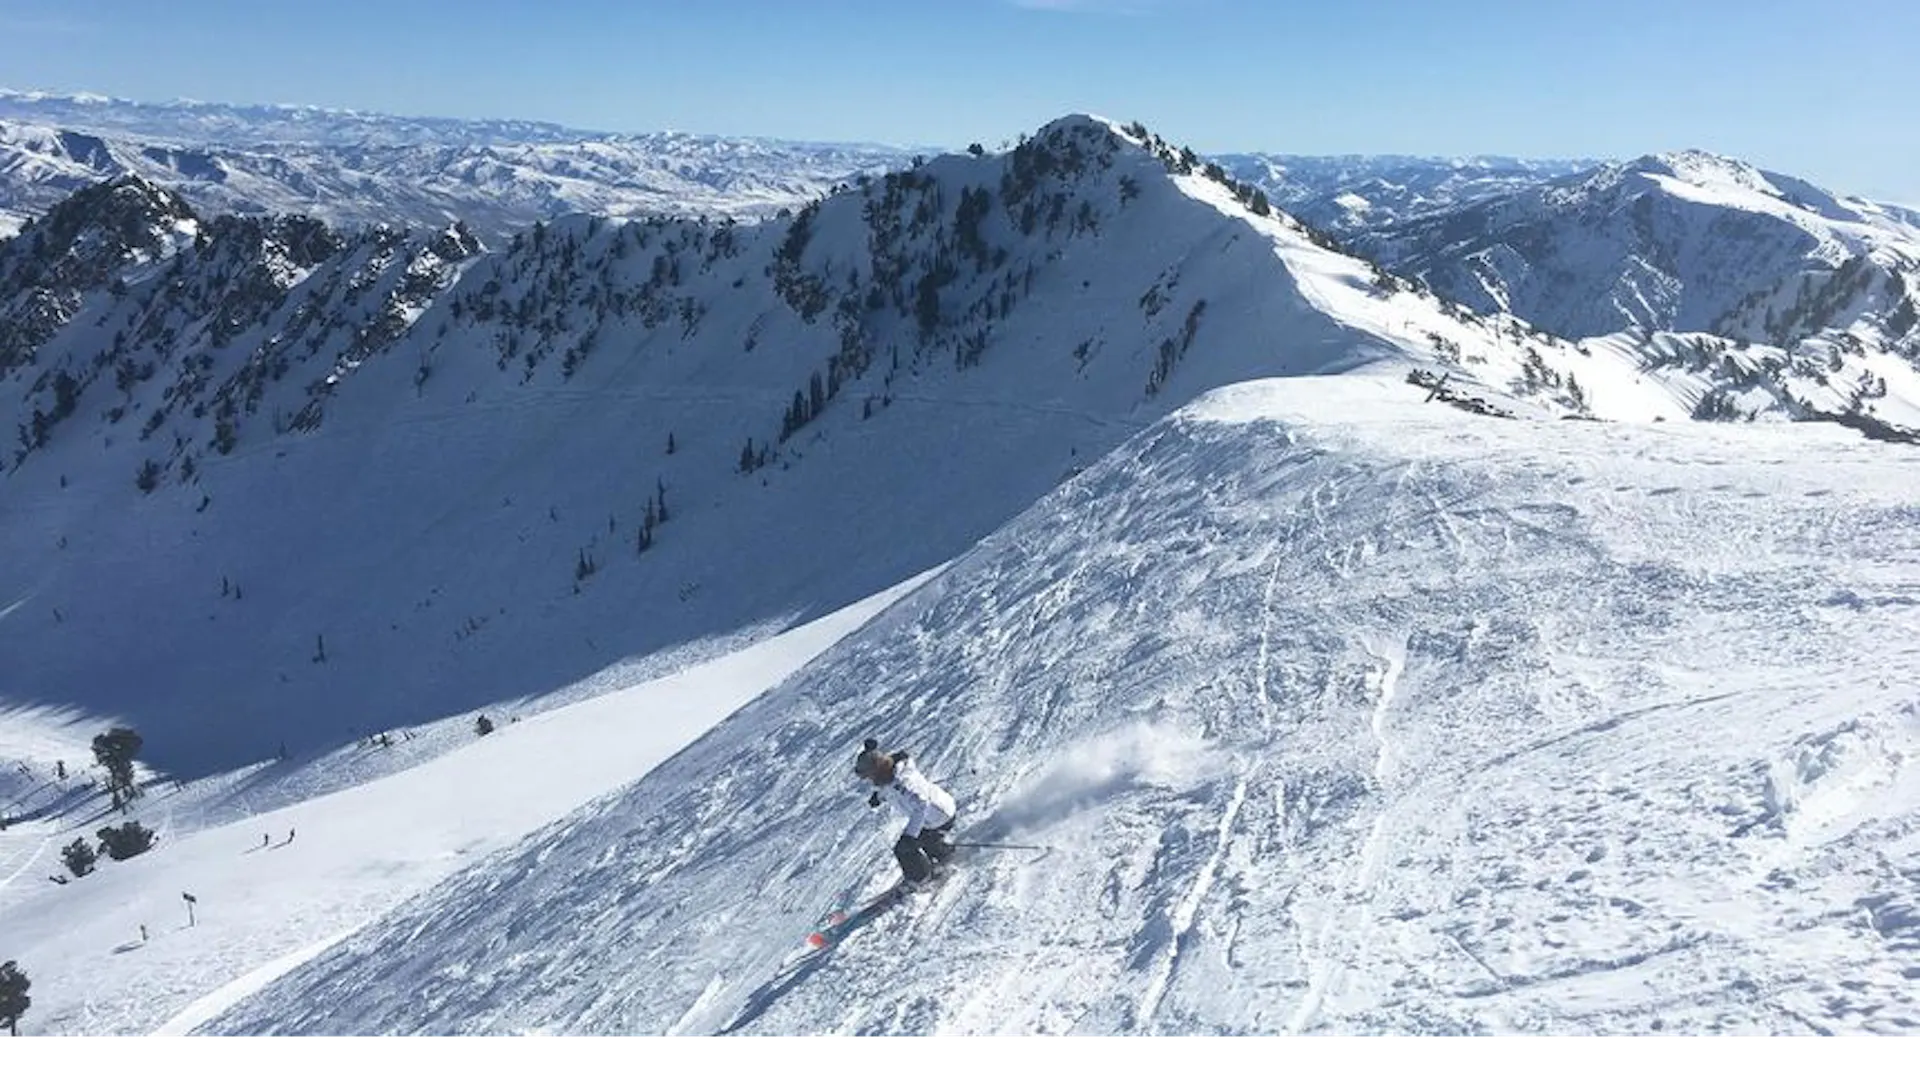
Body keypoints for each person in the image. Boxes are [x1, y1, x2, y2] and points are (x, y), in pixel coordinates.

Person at [853, 738, 957, 889]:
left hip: (938, 816)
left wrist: (910, 835)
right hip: (938, 813)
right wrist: (879, 797)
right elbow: (890, 787)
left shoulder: (903, 783)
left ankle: (920, 879)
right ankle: (942, 853)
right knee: (923, 839)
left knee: (904, 848)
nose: (870, 779)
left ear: (878, 770)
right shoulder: (891, 775)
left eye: (869, 775)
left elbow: (921, 804)